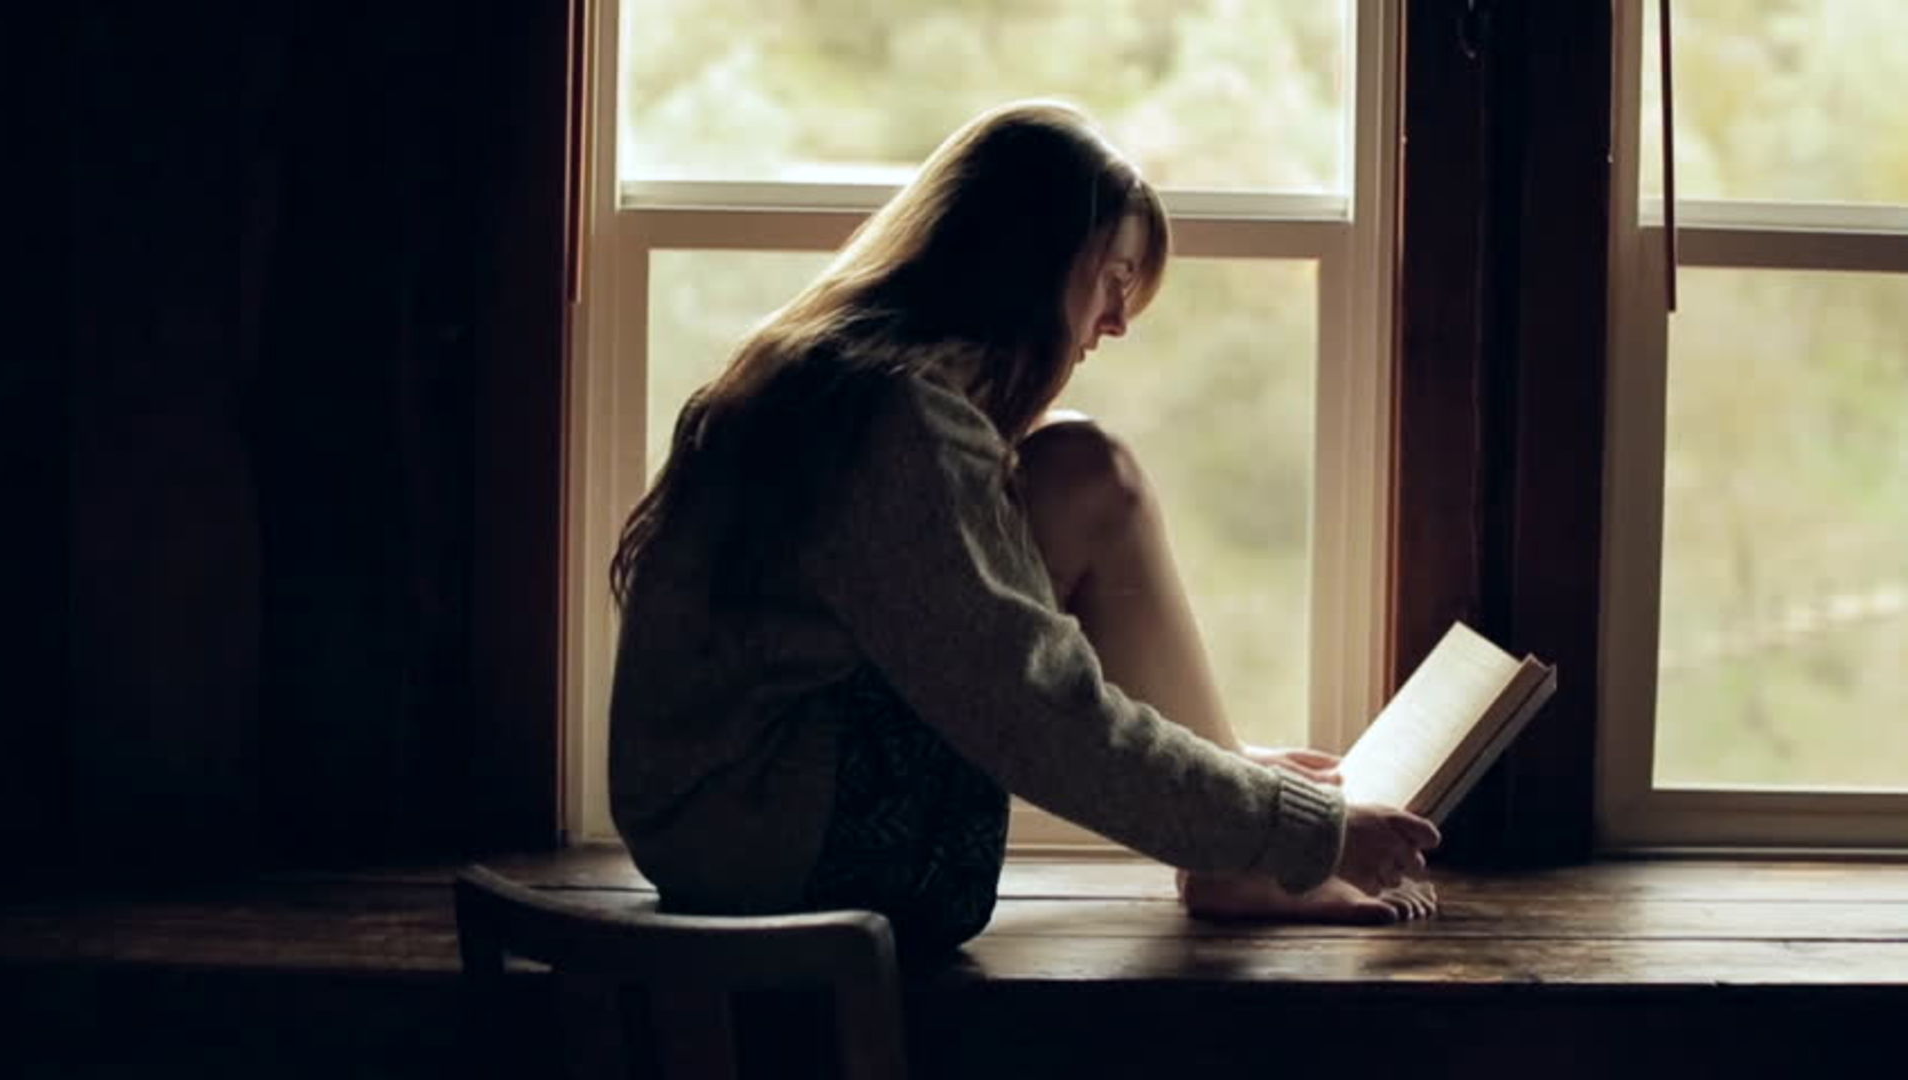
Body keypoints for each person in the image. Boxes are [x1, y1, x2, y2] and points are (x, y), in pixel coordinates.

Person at [607, 100, 1439, 958]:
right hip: (785, 857)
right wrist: (1304, 832)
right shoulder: (896, 425)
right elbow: (1034, 715)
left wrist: (1233, 780)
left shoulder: (849, 381)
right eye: (1114, 279)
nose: (1117, 322)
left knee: (1070, 466)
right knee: (1091, 474)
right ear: (1031, 260)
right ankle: (1231, 857)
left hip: (735, 830)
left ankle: (1223, 842)